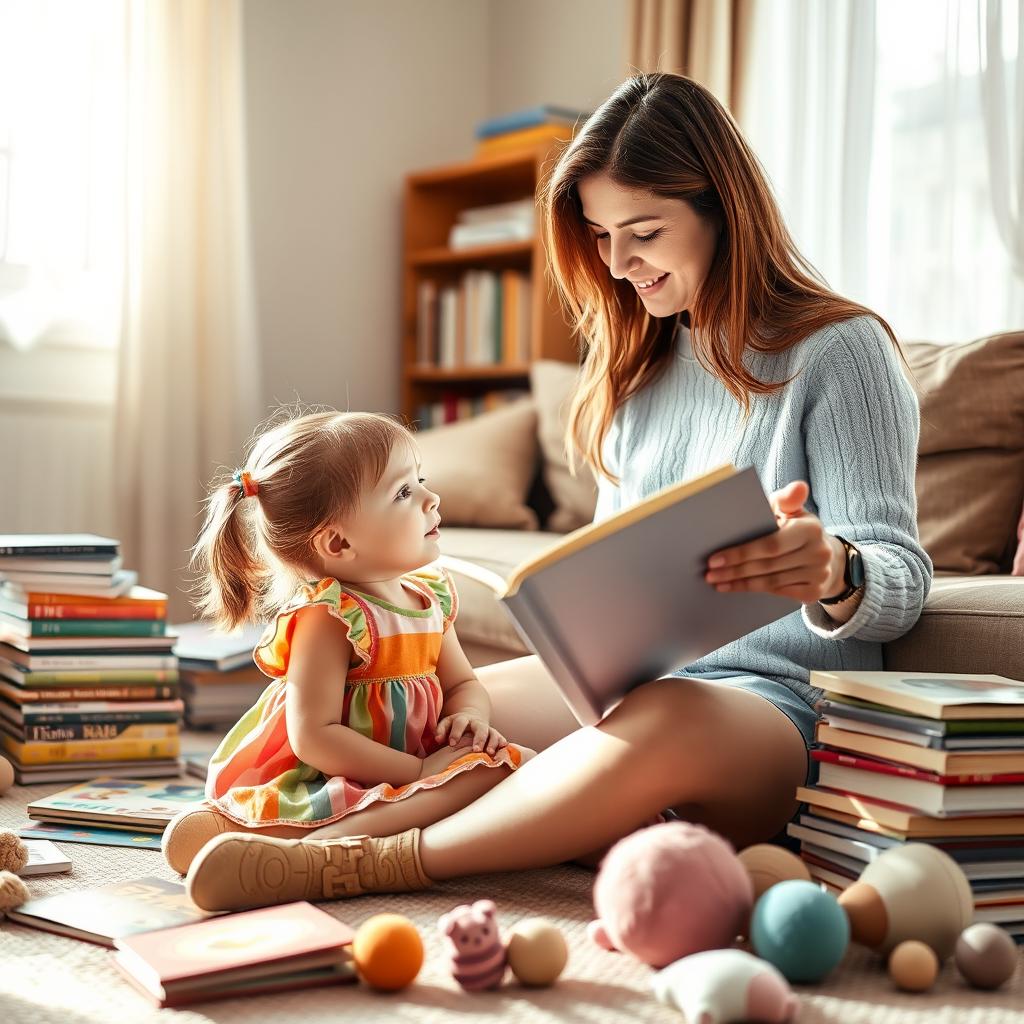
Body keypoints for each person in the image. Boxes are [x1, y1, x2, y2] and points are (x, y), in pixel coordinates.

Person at [182, 72, 932, 913]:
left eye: (643, 232)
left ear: (725, 209)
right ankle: (266, 823)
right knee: (440, 706)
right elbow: (627, 582)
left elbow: (901, 581)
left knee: (667, 716)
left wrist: (834, 569)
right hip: (636, 692)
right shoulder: (638, 370)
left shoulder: (841, 350)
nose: (617, 264)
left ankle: (371, 860)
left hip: (779, 708)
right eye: (601, 234)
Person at [161, 410, 532, 879]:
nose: (431, 497)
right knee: (512, 772)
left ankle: (338, 841)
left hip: (412, 768)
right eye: (403, 492)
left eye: (420, 480)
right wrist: (416, 775)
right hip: (333, 777)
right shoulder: (331, 617)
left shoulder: (430, 597)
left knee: (513, 764)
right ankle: (325, 844)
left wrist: (469, 719)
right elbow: (314, 735)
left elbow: (463, 683)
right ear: (337, 543)